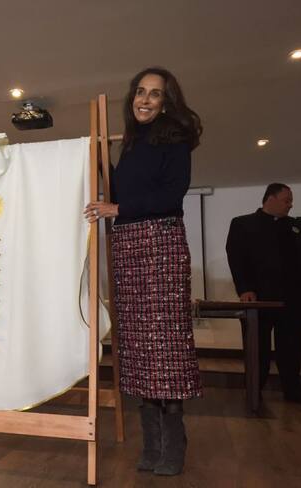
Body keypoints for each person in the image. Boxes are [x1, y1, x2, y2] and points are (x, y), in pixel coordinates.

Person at [85, 67, 203, 476]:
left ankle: (174, 441)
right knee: (136, 346)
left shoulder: (175, 140)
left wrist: (115, 208)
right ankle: (151, 443)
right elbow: (120, 193)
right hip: (128, 247)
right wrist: (99, 163)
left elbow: (172, 195)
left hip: (161, 245)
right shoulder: (132, 144)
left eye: (155, 94)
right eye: (140, 92)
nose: (145, 99)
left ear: (167, 102)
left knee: (165, 345)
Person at [226, 184, 301, 403]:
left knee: (291, 349)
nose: (290, 205)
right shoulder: (242, 224)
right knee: (257, 350)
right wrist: (244, 288)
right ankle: (254, 392)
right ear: (270, 199)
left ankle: (293, 391)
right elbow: (236, 258)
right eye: (287, 200)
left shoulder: (297, 227)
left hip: (292, 300)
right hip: (258, 300)